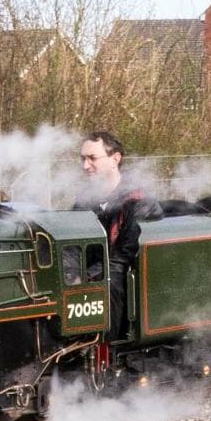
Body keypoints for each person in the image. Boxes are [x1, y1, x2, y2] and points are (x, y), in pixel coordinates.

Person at [74, 131, 163, 340]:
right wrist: (69, 273)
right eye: (83, 159)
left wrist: (85, 277)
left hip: (123, 273)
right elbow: (73, 241)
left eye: (92, 158)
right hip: (93, 270)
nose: (85, 166)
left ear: (115, 159)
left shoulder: (139, 201)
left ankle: (105, 345)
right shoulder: (84, 200)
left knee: (109, 282)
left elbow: (124, 255)